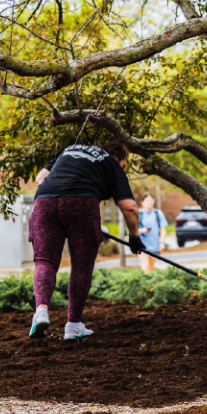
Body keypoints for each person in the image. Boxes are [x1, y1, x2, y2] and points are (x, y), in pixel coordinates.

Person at [29, 142, 145, 340]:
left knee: (45, 261)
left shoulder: (68, 149)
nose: (122, 168)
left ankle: (41, 311)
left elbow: (41, 178)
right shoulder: (110, 162)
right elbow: (130, 207)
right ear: (117, 157)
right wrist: (134, 236)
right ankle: (73, 326)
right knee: (82, 265)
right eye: (124, 164)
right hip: (81, 200)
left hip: (44, 201)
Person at [137, 191, 167, 273]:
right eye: (148, 200)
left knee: (150, 268)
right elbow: (131, 230)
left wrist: (162, 242)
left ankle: (149, 285)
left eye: (151, 200)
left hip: (154, 246)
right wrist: (141, 230)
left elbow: (163, 230)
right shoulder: (138, 214)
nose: (150, 202)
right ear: (142, 203)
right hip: (142, 246)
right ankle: (143, 284)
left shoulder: (158, 213)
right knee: (145, 266)